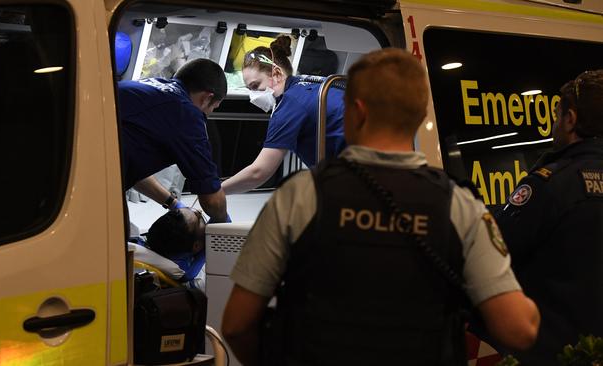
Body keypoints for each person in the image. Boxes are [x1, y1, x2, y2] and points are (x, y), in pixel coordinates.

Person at [221, 48, 540, 366]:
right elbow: (518, 330)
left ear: (355, 112)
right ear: (422, 115)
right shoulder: (461, 205)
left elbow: (236, 325)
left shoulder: (298, 197)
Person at [495, 70, 603, 365]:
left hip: (553, 352)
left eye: (557, 116)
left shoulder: (551, 184)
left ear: (570, 119)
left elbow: (496, 251)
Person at [221, 35, 346, 194]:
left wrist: (217, 191)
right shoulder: (311, 85)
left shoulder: (289, 105)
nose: (253, 95)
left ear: (277, 74)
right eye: (250, 89)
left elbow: (258, 172)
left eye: (255, 85)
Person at [118, 58, 228, 222]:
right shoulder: (186, 114)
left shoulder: (145, 86)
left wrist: (173, 203)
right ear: (206, 98)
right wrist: (224, 223)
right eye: (213, 107)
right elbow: (212, 201)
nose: (208, 114)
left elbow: (130, 167)